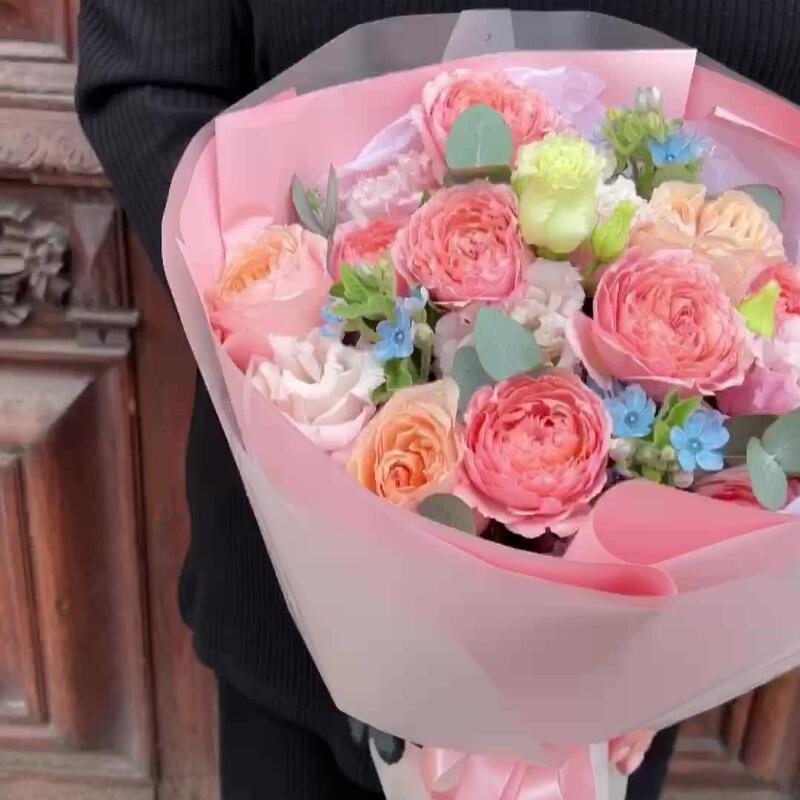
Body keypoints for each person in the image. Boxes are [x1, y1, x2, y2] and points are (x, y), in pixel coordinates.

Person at [76, 3, 800, 798]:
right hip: (294, 598)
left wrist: (681, 627)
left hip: (640, 636)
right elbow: (149, 77)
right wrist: (296, 335)